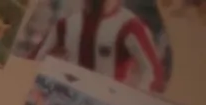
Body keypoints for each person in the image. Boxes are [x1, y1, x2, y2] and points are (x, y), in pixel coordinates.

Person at [32, 0, 165, 93]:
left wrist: (130, 102)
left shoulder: (131, 26)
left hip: (106, 101)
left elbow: (154, 73)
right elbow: (33, 59)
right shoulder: (66, 23)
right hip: (67, 94)